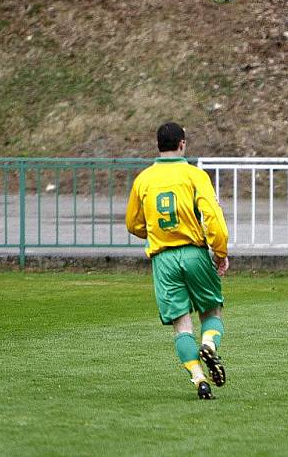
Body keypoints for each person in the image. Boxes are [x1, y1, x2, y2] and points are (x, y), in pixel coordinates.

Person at [125, 122, 230, 400]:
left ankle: (198, 379)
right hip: (194, 252)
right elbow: (213, 218)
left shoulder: (144, 179)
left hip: (163, 257)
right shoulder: (194, 175)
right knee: (211, 311)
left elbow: (133, 223)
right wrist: (220, 252)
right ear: (182, 144)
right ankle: (209, 343)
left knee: (181, 325)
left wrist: (156, 232)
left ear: (158, 146)